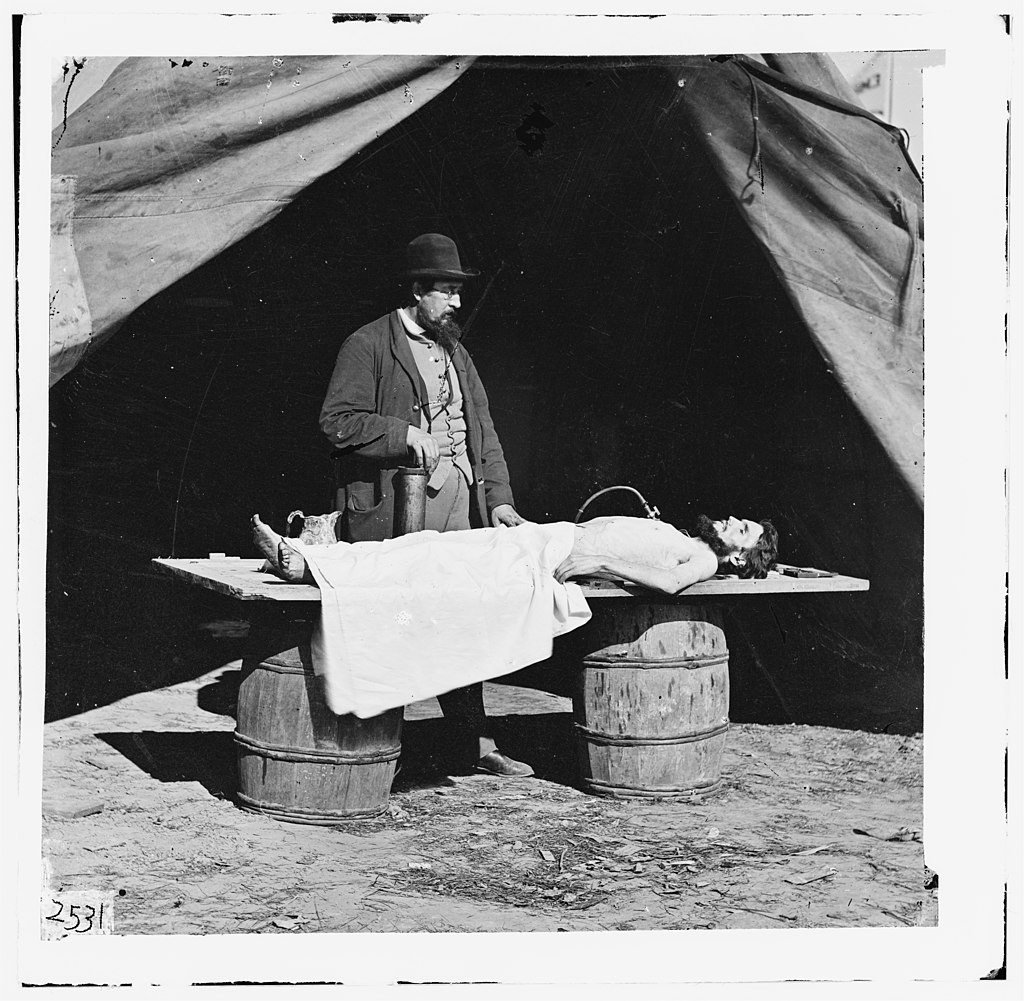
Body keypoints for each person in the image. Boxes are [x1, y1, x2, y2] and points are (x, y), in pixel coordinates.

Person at [317, 233, 530, 778]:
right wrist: (402, 432)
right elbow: (337, 422)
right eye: (446, 292)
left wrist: (499, 500)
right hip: (396, 512)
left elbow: (483, 432)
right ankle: (374, 748)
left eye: (458, 292)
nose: (457, 303)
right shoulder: (367, 345)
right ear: (416, 291)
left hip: (461, 509)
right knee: (395, 622)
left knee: (463, 622)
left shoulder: (457, 351)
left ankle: (474, 744)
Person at [252, 512, 779, 594]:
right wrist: (526, 523)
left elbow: (666, 584)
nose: (735, 521)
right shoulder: (689, 539)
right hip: (547, 537)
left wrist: (601, 564)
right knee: (430, 546)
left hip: (555, 555)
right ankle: (317, 557)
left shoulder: (706, 561)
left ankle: (309, 566)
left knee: (436, 559)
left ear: (739, 558)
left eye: (745, 531)